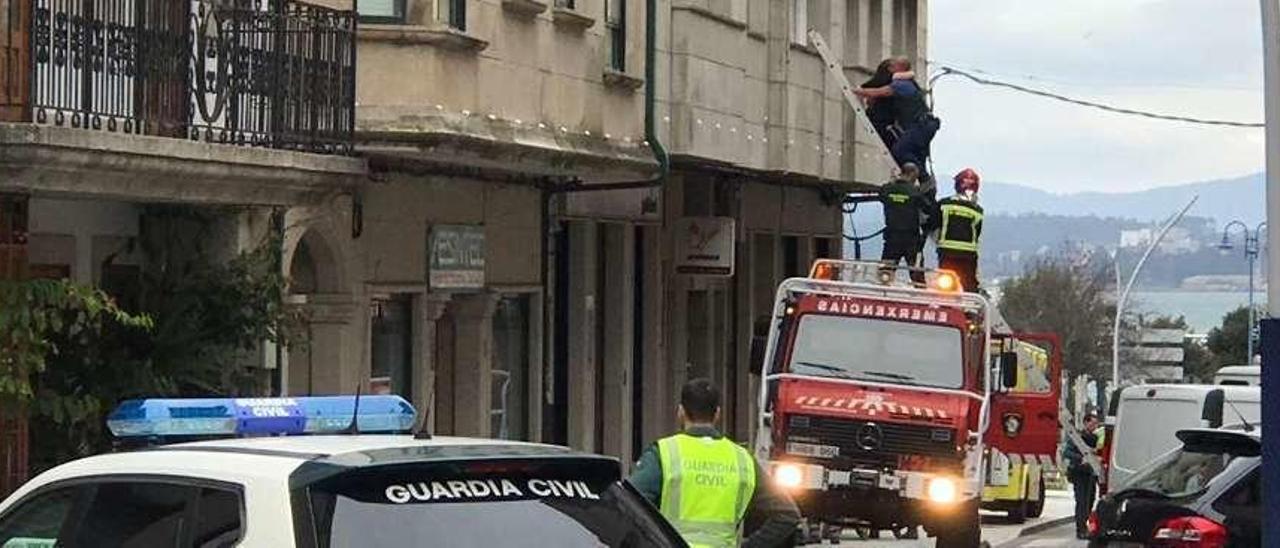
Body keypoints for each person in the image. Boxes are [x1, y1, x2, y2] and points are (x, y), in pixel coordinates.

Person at [629, 379, 800, 548]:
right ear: (717, 414)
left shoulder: (664, 453)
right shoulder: (742, 460)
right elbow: (787, 514)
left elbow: (629, 506)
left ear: (681, 411)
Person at [854, 57, 940, 175]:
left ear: (900, 69)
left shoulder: (902, 84)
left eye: (893, 66)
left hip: (921, 125)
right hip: (923, 125)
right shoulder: (908, 83)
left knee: (899, 151)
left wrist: (858, 91)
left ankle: (923, 177)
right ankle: (923, 181)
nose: (890, 68)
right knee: (914, 154)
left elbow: (878, 92)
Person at [877, 163, 929, 285]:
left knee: (885, 275)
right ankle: (921, 300)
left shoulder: (887, 189)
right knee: (917, 277)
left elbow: (881, 194)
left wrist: (893, 182)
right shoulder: (915, 192)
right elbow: (927, 208)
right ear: (912, 174)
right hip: (911, 240)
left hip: (892, 240)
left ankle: (882, 298)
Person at [934, 168, 984, 292]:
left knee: (946, 288)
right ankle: (970, 310)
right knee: (970, 286)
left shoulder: (944, 204)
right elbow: (977, 233)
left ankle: (946, 308)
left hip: (947, 253)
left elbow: (933, 224)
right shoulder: (978, 210)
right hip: (968, 255)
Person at [1063, 413, 1101, 540]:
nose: (1094, 426)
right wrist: (1081, 459)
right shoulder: (1077, 437)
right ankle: (1080, 530)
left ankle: (1086, 527)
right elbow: (1066, 452)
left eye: (1096, 424)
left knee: (1089, 502)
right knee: (1081, 502)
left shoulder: (1095, 437)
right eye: (1092, 423)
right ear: (1085, 422)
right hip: (1079, 473)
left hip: (1090, 474)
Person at [861, 59, 898, 152]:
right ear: (889, 68)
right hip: (883, 117)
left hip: (881, 116)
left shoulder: (883, 79)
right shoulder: (889, 80)